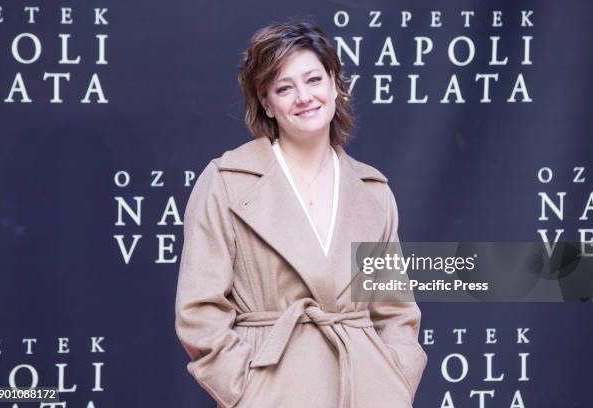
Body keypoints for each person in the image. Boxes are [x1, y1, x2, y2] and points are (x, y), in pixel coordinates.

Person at [175, 20, 427, 408]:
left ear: (335, 85)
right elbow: (199, 309)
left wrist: (395, 376)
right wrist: (245, 392)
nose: (303, 97)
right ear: (266, 102)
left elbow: (394, 312)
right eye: (284, 87)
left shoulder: (373, 191)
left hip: (367, 390)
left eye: (313, 80)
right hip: (274, 390)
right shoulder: (227, 181)